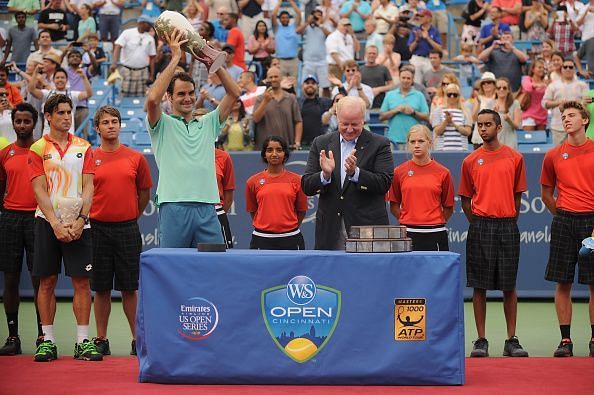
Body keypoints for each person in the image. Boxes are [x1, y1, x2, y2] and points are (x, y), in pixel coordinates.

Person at [145, 29, 240, 248]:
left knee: (213, 268)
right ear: (169, 97)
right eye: (180, 94)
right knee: (172, 269)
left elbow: (234, 94)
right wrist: (177, 57)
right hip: (173, 205)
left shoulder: (208, 122)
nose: (187, 98)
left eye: (190, 93)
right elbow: (152, 100)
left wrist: (212, 62)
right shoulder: (162, 124)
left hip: (207, 206)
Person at [28, 94, 100, 362]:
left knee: (82, 282)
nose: (67, 117)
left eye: (69, 112)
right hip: (47, 222)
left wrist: (81, 219)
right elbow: (39, 189)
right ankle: (47, 341)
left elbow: (89, 186)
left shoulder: (84, 146)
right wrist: (56, 223)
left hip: (79, 224)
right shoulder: (37, 148)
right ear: (48, 116)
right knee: (46, 282)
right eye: (61, 113)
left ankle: (83, 341)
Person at [459, 108, 529, 359]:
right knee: (480, 286)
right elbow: (466, 201)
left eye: (488, 124)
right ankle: (481, 340)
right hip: (480, 226)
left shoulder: (515, 158)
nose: (483, 128)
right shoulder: (470, 161)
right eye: (480, 124)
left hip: (508, 226)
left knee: (509, 286)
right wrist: (479, 222)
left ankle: (512, 339)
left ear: (499, 127)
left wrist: (506, 219)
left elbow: (517, 196)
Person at [90, 106, 152, 357]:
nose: (111, 125)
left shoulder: (136, 158)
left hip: (127, 229)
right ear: (97, 128)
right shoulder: (89, 158)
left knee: (129, 287)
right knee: (101, 288)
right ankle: (101, 339)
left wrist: (129, 216)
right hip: (96, 230)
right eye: (105, 122)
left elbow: (144, 193)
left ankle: (136, 340)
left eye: (115, 121)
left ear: (120, 125)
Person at [301, 96, 394, 250]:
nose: (349, 129)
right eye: (344, 124)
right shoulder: (321, 143)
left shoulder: (380, 144)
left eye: (354, 124)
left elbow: (384, 183)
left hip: (368, 230)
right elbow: (307, 185)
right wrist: (324, 175)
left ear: (363, 120)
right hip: (331, 231)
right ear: (337, 119)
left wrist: (355, 173)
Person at [540, 101, 594, 357]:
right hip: (564, 221)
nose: (566, 119)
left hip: (592, 223)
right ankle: (565, 341)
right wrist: (562, 214)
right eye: (563, 116)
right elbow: (547, 193)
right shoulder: (553, 155)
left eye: (572, 115)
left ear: (585, 120)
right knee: (563, 282)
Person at [0, 103, 42, 355]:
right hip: (10, 219)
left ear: (34, 123)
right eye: (19, 121)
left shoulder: (42, 151)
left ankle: (42, 336)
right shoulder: (5, 154)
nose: (23, 125)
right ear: (13, 123)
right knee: (11, 278)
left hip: (37, 219)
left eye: (27, 121)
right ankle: (13, 336)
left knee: (40, 280)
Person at [388, 124, 454, 251]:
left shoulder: (443, 172)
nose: (416, 145)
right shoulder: (399, 172)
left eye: (421, 141)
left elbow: (449, 207)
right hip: (408, 232)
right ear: (408, 143)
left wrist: (433, 221)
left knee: (436, 271)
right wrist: (408, 219)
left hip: (436, 232)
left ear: (429, 142)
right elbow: (394, 205)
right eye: (413, 141)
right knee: (408, 271)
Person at [246, 136, 307, 250]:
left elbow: (301, 210)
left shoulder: (297, 180)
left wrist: (287, 229)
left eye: (279, 150)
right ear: (264, 154)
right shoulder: (252, 181)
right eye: (269, 150)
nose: (274, 154)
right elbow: (253, 210)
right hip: (261, 239)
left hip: (291, 238)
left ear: (285, 154)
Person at [28, 66, 92, 135]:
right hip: (48, 136)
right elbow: (32, 90)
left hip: (68, 136)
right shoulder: (47, 94)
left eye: (62, 78)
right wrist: (36, 71)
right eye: (57, 78)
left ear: (67, 80)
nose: (60, 80)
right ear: (53, 80)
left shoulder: (72, 95)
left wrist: (84, 77)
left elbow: (88, 94)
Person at [252, 67, 303, 150]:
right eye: (271, 77)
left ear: (281, 78)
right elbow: (255, 119)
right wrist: (265, 101)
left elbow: (298, 121)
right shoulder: (260, 98)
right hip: (265, 148)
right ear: (266, 79)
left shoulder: (291, 98)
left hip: (286, 147)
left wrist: (297, 142)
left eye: (276, 76)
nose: (273, 79)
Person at [542, 58, 589, 145]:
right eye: (565, 67)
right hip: (558, 127)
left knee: (577, 155)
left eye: (571, 67)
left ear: (575, 69)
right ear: (561, 69)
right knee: (559, 156)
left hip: (577, 127)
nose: (568, 69)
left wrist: (578, 103)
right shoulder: (553, 85)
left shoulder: (583, 85)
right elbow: (544, 103)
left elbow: (587, 104)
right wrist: (558, 103)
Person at [380, 67, 429, 149]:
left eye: (408, 78)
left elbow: (427, 117)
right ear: (399, 78)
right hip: (393, 140)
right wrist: (395, 110)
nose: (405, 80)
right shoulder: (390, 95)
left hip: (414, 141)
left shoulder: (419, 95)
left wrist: (413, 112)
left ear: (412, 80)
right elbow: (381, 116)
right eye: (403, 78)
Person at [110, 15, 157, 97]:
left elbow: (152, 58)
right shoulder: (127, 33)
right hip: (127, 70)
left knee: (141, 97)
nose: (150, 26)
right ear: (141, 23)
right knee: (124, 96)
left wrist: (152, 75)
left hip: (143, 71)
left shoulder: (150, 38)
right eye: (148, 24)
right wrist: (114, 63)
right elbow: (117, 47)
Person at [478, 26, 528, 92]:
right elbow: (480, 57)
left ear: (512, 40)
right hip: (497, 89)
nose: (506, 39)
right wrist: (492, 47)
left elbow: (525, 59)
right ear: (500, 40)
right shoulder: (494, 52)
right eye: (503, 38)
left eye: (508, 37)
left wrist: (512, 48)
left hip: (514, 89)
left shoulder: (516, 52)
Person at [297, 7, 332, 97]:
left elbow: (330, 36)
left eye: (319, 16)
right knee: (306, 85)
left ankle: (326, 105)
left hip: (322, 61)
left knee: (326, 86)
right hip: (309, 61)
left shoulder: (324, 27)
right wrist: (308, 22)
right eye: (315, 16)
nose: (316, 18)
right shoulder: (307, 27)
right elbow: (298, 31)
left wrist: (319, 24)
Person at [431, 83, 472, 151]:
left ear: (458, 96)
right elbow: (437, 132)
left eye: (455, 94)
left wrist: (453, 123)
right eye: (449, 94)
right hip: (442, 150)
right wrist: (446, 121)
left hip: (461, 150)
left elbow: (467, 132)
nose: (452, 96)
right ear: (445, 95)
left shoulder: (466, 111)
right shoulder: (438, 110)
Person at [299, 75, 332, 147]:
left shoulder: (325, 102)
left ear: (317, 86)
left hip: (320, 143)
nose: (310, 85)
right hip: (301, 143)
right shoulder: (296, 102)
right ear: (302, 86)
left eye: (313, 83)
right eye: (307, 83)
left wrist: (340, 86)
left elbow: (340, 101)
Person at [271, 0, 301, 78]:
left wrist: (291, 1)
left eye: (287, 18)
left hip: (293, 60)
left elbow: (299, 13)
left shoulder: (294, 27)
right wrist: (280, 2)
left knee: (293, 84)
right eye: (283, 18)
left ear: (289, 19)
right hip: (281, 61)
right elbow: (273, 15)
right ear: (280, 19)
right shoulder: (277, 28)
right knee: (281, 84)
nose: (285, 19)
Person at [214, 146, 235, 248]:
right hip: (187, 211)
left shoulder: (223, 157)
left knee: (222, 257)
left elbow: (228, 194)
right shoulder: (184, 154)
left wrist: (219, 213)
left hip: (216, 213)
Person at [360, 45, 393, 109]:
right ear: (366, 54)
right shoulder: (360, 69)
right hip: (363, 105)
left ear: (377, 55)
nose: (372, 55)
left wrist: (379, 89)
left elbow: (391, 85)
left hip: (380, 105)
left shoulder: (383, 68)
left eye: (374, 53)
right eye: (369, 53)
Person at [493, 77, 522, 150]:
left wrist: (509, 120)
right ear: (495, 90)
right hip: (495, 141)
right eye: (498, 88)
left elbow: (517, 126)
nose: (501, 89)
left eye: (504, 88)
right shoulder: (491, 103)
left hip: (510, 141)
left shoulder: (515, 103)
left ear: (508, 90)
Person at [520, 59, 548, 131]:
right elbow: (528, 88)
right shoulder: (527, 79)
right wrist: (538, 85)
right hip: (529, 115)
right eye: (539, 67)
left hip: (543, 115)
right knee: (529, 140)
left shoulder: (546, 82)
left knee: (541, 140)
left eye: (543, 68)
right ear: (533, 69)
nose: (541, 69)